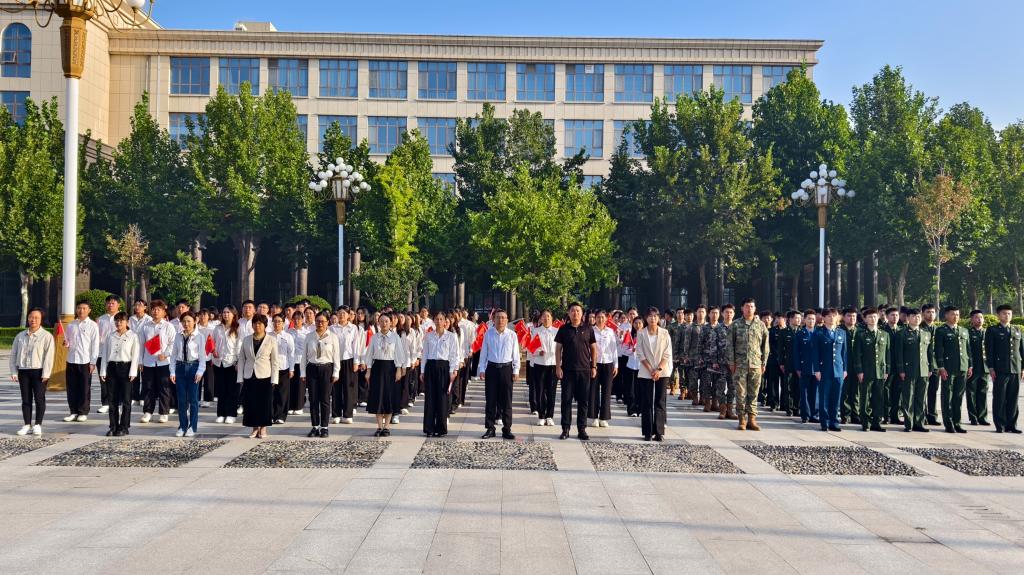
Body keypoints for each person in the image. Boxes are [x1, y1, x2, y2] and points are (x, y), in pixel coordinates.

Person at [10, 308, 55, 436]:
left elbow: (49, 357)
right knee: (26, 399)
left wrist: (46, 373)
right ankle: (26, 424)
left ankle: (38, 424)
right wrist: (14, 371)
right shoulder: (20, 336)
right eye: (31, 317)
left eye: (36, 317)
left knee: (39, 399)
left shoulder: (46, 336)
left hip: (39, 372)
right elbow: (13, 355)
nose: (33, 320)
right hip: (23, 371)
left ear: (41, 319)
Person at [555, 303, 596, 441]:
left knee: (583, 401)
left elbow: (593, 348)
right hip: (567, 370)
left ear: (582, 313)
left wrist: (593, 366)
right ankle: (565, 429)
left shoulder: (588, 328)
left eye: (578, 311)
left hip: (584, 370)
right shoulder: (563, 329)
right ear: (569, 313)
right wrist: (558, 367)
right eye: (573, 311)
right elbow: (558, 349)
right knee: (566, 400)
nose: (575, 313)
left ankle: (582, 429)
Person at [479, 309, 520, 440]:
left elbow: (516, 354)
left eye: (503, 317)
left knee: (507, 400)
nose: (500, 320)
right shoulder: (488, 334)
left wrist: (516, 370)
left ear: (507, 320)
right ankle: (490, 428)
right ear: (494, 319)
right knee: (490, 399)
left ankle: (507, 429)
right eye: (498, 317)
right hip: (491, 369)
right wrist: (481, 369)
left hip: (506, 369)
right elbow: (483, 353)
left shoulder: (512, 335)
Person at [366, 313, 408, 437]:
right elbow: (369, 354)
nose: (384, 324)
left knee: (389, 396)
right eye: (381, 321)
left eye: (386, 321)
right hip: (377, 368)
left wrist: (399, 369)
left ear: (390, 323)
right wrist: (368, 370)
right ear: (378, 323)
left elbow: (399, 354)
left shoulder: (395, 337)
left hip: (391, 368)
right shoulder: (375, 337)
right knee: (378, 396)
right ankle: (379, 426)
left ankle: (387, 427)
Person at [238, 314, 279, 439]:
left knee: (264, 403)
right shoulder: (246, 339)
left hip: (265, 375)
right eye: (255, 323)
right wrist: (240, 377)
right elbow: (241, 359)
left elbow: (275, 361)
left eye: (260, 323)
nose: (257, 325)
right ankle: (254, 427)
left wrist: (274, 378)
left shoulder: (271, 340)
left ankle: (263, 427)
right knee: (251, 403)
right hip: (249, 375)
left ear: (265, 325)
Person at [99, 311, 139, 436]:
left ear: (127, 322)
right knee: (112, 400)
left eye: (121, 320)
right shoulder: (110, 336)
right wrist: (103, 371)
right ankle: (113, 426)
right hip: (112, 367)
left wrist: (133, 371)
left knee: (126, 400)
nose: (119, 323)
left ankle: (124, 426)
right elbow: (105, 354)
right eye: (116, 320)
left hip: (126, 367)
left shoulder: (133, 336)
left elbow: (135, 355)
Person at [302, 312, 341, 438]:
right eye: (318, 321)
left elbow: (336, 356)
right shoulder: (309, 336)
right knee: (313, 399)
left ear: (327, 322)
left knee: (325, 399)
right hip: (312, 368)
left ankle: (324, 427)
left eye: (323, 321)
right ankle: (315, 426)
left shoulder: (333, 337)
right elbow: (304, 356)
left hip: (326, 368)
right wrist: (303, 372)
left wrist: (336, 372)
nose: (320, 323)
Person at [985, 305, 1023, 433]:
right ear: (998, 315)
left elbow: (1021, 350)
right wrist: (991, 367)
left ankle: (1011, 425)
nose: (1007, 316)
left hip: (1015, 369)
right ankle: (1000, 425)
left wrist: (1023, 368)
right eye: (1004, 313)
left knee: (1013, 398)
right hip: (1000, 369)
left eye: (1009, 313)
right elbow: (989, 351)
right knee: (1000, 398)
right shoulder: (993, 330)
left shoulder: (1017, 329)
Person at [635, 306, 672, 441]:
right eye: (650, 316)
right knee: (647, 401)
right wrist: (651, 369)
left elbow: (667, 353)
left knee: (660, 401)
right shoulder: (641, 333)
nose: (653, 318)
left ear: (659, 318)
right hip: (646, 371)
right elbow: (640, 353)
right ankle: (647, 432)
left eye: (655, 316)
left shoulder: (665, 333)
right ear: (646, 318)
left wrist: (658, 369)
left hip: (662, 371)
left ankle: (659, 432)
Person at [421, 310, 460, 436]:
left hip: (444, 367)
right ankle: (429, 428)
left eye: (441, 319)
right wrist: (422, 371)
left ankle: (441, 428)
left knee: (443, 398)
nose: (439, 321)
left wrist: (453, 371)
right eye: (436, 319)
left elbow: (454, 355)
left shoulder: (451, 336)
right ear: (433, 321)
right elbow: (425, 354)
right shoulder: (428, 336)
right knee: (430, 398)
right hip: (431, 367)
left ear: (445, 321)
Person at [850, 307, 889, 432]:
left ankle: (876, 422)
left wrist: (887, 370)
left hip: (880, 371)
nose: (873, 319)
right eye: (870, 317)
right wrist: (859, 371)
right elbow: (857, 355)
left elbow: (887, 354)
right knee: (865, 398)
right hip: (866, 371)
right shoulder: (860, 334)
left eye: (875, 316)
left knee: (879, 397)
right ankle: (865, 422)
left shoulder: (884, 334)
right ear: (865, 319)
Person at [169, 311, 207, 437]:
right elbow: (173, 355)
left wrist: (200, 371)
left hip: (193, 367)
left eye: (189, 321)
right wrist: (172, 371)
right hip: (180, 367)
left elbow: (202, 357)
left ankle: (192, 426)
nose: (186, 324)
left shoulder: (199, 336)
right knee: (181, 400)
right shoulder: (178, 336)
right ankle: (182, 426)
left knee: (193, 399)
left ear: (195, 321)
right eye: (184, 321)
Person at [934, 306, 971, 434]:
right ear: (946, 316)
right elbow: (938, 350)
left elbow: (968, 350)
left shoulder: (964, 330)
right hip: (948, 368)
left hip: (962, 367)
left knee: (958, 396)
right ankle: (948, 423)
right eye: (953, 314)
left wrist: (970, 365)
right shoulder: (941, 330)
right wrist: (941, 367)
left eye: (957, 314)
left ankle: (957, 422)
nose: (956, 317)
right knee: (947, 396)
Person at [895, 308, 933, 432]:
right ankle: (909, 423)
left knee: (921, 398)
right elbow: (899, 353)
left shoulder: (926, 333)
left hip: (923, 369)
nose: (916, 319)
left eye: (918, 317)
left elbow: (929, 352)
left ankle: (919, 423)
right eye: (913, 316)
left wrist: (931, 367)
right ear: (907, 318)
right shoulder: (902, 333)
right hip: (909, 369)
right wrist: (901, 369)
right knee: (908, 397)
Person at [140, 300, 177, 424]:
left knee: (164, 388)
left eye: (158, 309)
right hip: (148, 361)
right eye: (154, 309)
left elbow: (173, 343)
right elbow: (141, 344)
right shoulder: (146, 326)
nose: (156, 311)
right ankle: (148, 412)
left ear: (164, 312)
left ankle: (164, 412)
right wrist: (140, 361)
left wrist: (165, 354)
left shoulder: (168, 326)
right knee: (148, 387)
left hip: (163, 362)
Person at [63, 301, 100, 423]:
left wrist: (93, 362)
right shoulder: (71, 325)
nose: (81, 310)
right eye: (79, 308)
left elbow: (95, 345)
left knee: (84, 388)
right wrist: (66, 343)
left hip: (85, 361)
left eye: (84, 308)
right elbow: (67, 341)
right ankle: (73, 411)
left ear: (89, 310)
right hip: (71, 360)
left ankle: (83, 412)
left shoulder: (92, 325)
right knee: (71, 387)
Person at [811, 307, 847, 432]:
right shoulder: (818, 333)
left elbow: (844, 353)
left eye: (834, 316)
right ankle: (824, 422)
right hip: (824, 369)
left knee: (836, 397)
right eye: (829, 316)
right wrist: (816, 369)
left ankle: (834, 422)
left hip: (838, 370)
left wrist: (845, 369)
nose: (832, 318)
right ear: (824, 318)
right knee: (824, 397)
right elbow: (815, 353)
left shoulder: (841, 332)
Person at [329, 306, 359, 425]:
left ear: (348, 315)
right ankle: (336, 414)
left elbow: (356, 345)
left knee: (348, 388)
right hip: (335, 360)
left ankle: (347, 414)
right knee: (335, 387)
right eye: (340, 313)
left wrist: (356, 361)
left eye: (344, 313)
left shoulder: (353, 328)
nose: (342, 315)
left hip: (348, 360)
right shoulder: (332, 328)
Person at [212, 306, 242, 424]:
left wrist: (238, 361)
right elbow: (212, 342)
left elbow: (239, 345)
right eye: (224, 312)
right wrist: (213, 350)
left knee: (232, 390)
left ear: (234, 314)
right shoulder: (217, 328)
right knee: (221, 389)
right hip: (219, 362)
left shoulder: (238, 328)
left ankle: (231, 414)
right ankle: (221, 413)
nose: (226, 314)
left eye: (228, 312)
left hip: (232, 362)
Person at [589, 310, 618, 428]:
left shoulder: (610, 331)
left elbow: (614, 348)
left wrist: (616, 365)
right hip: (594, 363)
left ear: (606, 319)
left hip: (608, 363)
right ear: (595, 318)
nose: (600, 319)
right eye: (598, 317)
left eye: (602, 317)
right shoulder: (591, 330)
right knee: (593, 390)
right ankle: (594, 417)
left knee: (606, 391)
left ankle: (604, 417)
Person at [532, 310, 559, 427]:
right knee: (540, 391)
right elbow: (531, 348)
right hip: (540, 364)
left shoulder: (557, 331)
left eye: (548, 316)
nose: (546, 318)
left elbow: (561, 349)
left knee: (551, 391)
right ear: (541, 319)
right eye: (544, 316)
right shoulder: (536, 331)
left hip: (553, 364)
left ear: (552, 318)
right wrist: (538, 352)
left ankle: (550, 416)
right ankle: (541, 416)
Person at [792, 310, 819, 424]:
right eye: (809, 319)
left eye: (813, 319)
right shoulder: (800, 334)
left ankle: (814, 414)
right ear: (804, 320)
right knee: (804, 392)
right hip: (804, 367)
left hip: (817, 369)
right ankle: (805, 415)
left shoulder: (819, 333)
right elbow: (796, 353)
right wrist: (798, 368)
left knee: (815, 393)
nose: (811, 321)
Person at [96, 295, 120, 415]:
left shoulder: (123, 318)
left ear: (118, 305)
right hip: (102, 353)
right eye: (109, 303)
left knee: (118, 380)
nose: (110, 305)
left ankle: (118, 403)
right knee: (103, 379)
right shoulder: (100, 319)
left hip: (118, 355)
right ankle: (105, 403)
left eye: (113, 303)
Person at [270, 313, 295, 424]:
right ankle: (271, 415)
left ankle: (281, 416)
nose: (277, 324)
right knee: (271, 393)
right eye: (275, 321)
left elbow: (291, 354)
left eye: (279, 321)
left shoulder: (288, 336)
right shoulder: (268, 335)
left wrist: (291, 369)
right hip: (270, 368)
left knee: (282, 393)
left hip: (284, 367)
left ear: (283, 323)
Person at [966, 310, 990, 426]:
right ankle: (973, 417)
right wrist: (969, 365)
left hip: (985, 367)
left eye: (981, 317)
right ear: (971, 319)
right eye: (976, 317)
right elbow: (967, 351)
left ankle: (982, 417)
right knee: (971, 393)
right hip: (973, 367)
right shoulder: (968, 333)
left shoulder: (987, 333)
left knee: (983, 392)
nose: (979, 319)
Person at [881, 307, 903, 425]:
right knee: (885, 391)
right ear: (887, 316)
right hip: (886, 367)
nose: (895, 317)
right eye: (892, 315)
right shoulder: (882, 331)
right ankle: (885, 416)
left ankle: (895, 416)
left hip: (899, 367)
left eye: (896, 315)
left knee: (897, 392)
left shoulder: (902, 331)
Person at [839, 307, 861, 425]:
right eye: (849, 315)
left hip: (857, 366)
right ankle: (845, 415)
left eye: (854, 316)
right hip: (844, 366)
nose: (852, 318)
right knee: (845, 391)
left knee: (856, 392)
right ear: (843, 317)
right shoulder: (839, 331)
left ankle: (855, 415)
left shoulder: (860, 331)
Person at [920, 303, 940, 425]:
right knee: (921, 392)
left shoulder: (939, 330)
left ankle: (932, 416)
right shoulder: (919, 328)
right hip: (923, 364)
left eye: (933, 312)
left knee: (933, 391)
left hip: (936, 365)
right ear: (923, 314)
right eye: (928, 312)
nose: (931, 314)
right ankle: (922, 416)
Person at [287, 310, 310, 416]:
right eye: (295, 319)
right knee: (291, 384)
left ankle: (299, 406)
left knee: (300, 385)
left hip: (301, 360)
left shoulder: (307, 333)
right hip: (290, 361)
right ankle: (290, 406)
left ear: (303, 320)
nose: (297, 321)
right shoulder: (288, 332)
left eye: (299, 319)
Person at [686, 305, 707, 407]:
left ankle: (703, 397)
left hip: (706, 357)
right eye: (699, 312)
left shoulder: (708, 327)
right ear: (696, 313)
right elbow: (687, 343)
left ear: (705, 313)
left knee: (704, 379)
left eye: (703, 312)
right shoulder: (691, 327)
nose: (701, 314)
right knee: (693, 380)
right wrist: (686, 356)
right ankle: (695, 397)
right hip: (693, 358)